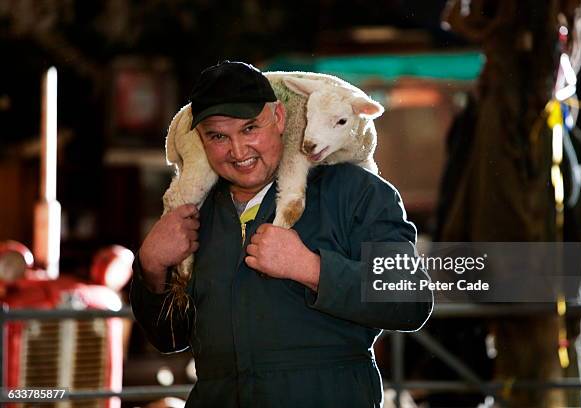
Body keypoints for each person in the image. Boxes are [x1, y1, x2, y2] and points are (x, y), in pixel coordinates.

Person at [130, 61, 433, 408]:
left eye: (249, 129)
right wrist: (151, 268)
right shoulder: (194, 213)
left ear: (278, 118)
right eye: (218, 136)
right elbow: (170, 338)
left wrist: (311, 268)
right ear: (200, 139)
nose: (238, 151)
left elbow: (411, 301)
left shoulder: (356, 192)